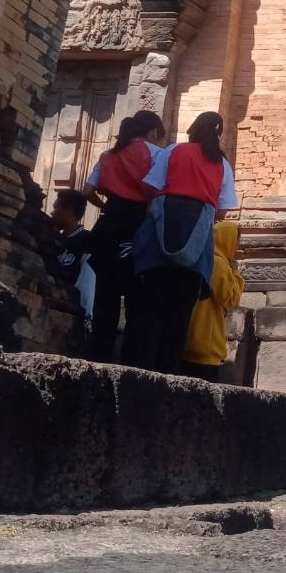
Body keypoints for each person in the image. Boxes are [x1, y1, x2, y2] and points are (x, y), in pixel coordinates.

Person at [127, 111, 237, 374]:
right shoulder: (222, 165)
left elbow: (152, 187)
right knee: (180, 313)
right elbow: (223, 210)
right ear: (218, 134)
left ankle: (142, 370)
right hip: (197, 239)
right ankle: (169, 372)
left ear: (193, 130)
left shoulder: (174, 151)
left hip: (161, 231)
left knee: (151, 307)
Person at [83, 110, 165, 363]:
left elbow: (87, 191)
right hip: (137, 227)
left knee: (104, 295)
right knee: (137, 298)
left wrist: (105, 205)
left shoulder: (109, 154)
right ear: (152, 132)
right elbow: (157, 194)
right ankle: (131, 362)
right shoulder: (156, 155)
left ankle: (98, 356)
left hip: (108, 227)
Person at [180, 220, 244, 381]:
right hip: (205, 343)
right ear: (227, 241)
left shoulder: (201, 257)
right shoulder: (218, 263)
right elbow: (230, 298)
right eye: (236, 243)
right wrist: (236, 274)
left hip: (191, 337)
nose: (237, 249)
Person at [50, 189, 96, 330]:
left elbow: (88, 283)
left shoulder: (87, 241)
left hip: (73, 311)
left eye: (56, 207)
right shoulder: (53, 240)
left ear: (68, 209)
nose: (52, 213)